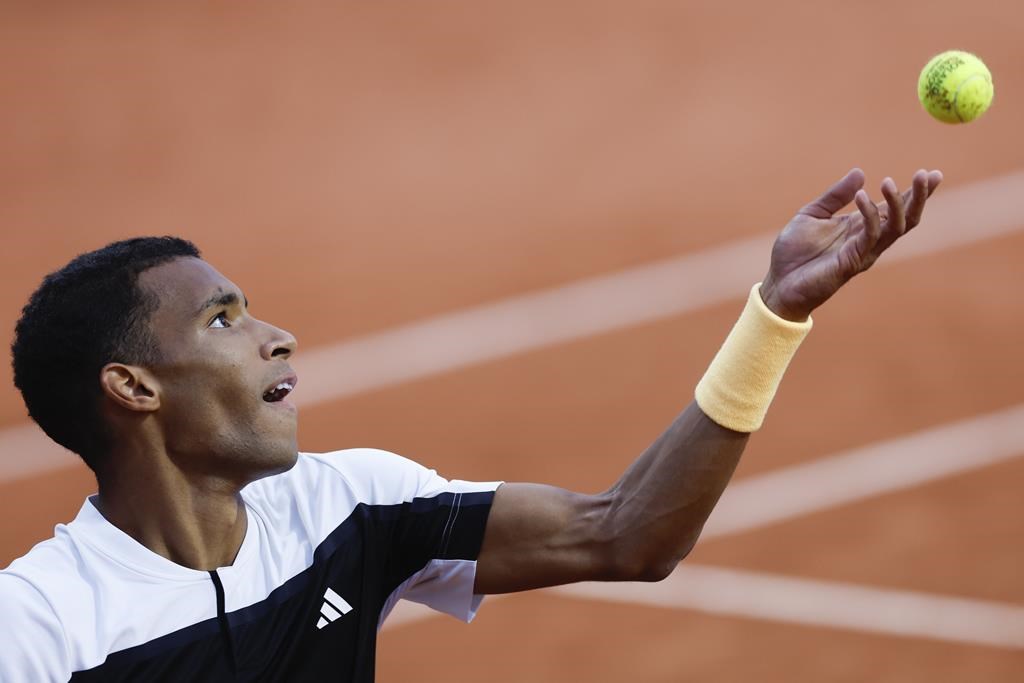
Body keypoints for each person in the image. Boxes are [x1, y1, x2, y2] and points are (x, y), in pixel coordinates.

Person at [0, 167, 942, 681]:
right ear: (132, 386)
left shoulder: (350, 504)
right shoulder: (42, 627)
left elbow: (625, 533)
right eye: (223, 319)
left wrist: (774, 314)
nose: (276, 336)